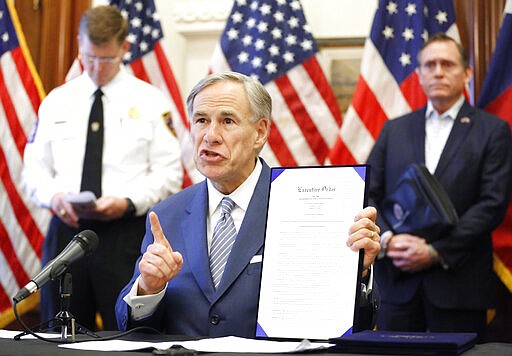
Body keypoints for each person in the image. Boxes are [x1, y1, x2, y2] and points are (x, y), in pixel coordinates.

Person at [115, 71, 381, 337]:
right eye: (201, 120)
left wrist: (358, 272)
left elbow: (354, 326)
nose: (210, 136)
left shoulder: (309, 207)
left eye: (227, 121)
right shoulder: (166, 216)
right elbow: (131, 328)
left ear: (260, 132)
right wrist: (149, 288)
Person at [22, 5, 183, 331]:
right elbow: (33, 171)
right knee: (57, 334)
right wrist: (54, 197)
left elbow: (170, 174)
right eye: (88, 58)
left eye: (105, 59)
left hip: (124, 235)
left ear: (124, 48)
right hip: (67, 235)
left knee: (127, 330)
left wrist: (127, 202)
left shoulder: (151, 101)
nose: (95, 68)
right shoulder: (57, 100)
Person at [366, 33, 512, 342]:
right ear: (418, 74)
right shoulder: (395, 129)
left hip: (459, 282)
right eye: (429, 65)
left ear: (467, 73)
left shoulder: (493, 130)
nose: (438, 71)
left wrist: (435, 251)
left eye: (447, 64)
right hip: (397, 283)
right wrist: (389, 240)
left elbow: (492, 203)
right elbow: (368, 191)